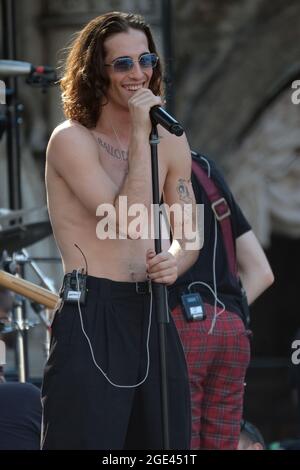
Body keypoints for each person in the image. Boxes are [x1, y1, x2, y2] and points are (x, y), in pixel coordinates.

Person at [42, 12, 200, 450]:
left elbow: (189, 233)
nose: (139, 73)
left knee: (165, 449)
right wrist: (138, 135)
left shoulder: (170, 141)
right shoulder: (71, 140)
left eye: (145, 60)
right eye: (123, 64)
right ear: (96, 73)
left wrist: (175, 259)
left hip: (152, 311)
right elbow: (126, 221)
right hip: (94, 310)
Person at [168, 152, 274, 449]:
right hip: (231, 327)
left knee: (176, 445)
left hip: (183, 326)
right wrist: (223, 317)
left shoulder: (149, 167)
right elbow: (262, 273)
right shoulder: (206, 169)